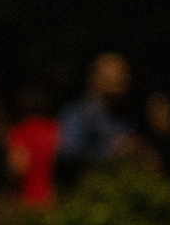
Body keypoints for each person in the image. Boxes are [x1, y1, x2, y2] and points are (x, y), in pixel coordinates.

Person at [54, 51, 134, 193]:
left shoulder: (121, 117)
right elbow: (68, 156)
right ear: (96, 80)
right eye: (116, 80)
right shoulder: (77, 115)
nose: (124, 84)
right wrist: (111, 152)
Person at [4, 79, 61, 208]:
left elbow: (18, 168)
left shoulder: (19, 132)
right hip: (51, 199)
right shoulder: (54, 128)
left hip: (26, 200)